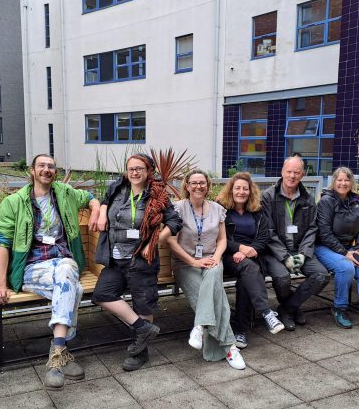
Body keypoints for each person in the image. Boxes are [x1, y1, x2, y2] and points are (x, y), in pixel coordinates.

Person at [0, 154, 101, 389]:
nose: (46, 169)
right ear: (32, 171)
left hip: (64, 260)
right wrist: (1, 284)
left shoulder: (64, 193)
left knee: (65, 271)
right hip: (32, 267)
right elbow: (3, 243)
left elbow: (91, 198)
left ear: (55, 172)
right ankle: (62, 350)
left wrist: (95, 211)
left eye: (51, 166)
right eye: (41, 166)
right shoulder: (14, 202)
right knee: (75, 287)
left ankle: (57, 351)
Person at [92, 153, 182, 371]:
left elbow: (175, 220)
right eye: (131, 168)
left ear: (148, 171)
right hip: (115, 258)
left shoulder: (158, 194)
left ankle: (140, 353)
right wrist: (102, 212)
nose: (134, 172)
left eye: (139, 168)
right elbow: (103, 199)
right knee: (102, 294)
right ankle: (143, 329)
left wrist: (156, 240)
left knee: (143, 303)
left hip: (141, 259)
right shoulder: (118, 187)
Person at [165, 169, 245, 369]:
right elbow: (171, 241)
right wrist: (193, 262)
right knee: (215, 295)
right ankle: (230, 347)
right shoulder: (178, 208)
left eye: (202, 183)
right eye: (194, 183)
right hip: (185, 263)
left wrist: (216, 258)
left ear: (208, 186)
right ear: (187, 186)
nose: (198, 186)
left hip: (212, 259)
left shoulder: (218, 209)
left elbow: (222, 239)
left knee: (211, 284)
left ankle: (200, 326)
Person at [261, 155, 330, 330]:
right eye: (289, 171)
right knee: (282, 278)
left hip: (300, 249)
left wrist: (303, 254)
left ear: (303, 174)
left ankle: (287, 308)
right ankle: (294, 307)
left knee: (321, 276)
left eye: (296, 172)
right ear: (282, 172)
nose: (292, 176)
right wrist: (285, 257)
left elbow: (312, 228)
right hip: (275, 252)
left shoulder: (307, 197)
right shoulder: (268, 196)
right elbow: (268, 231)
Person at [314, 167, 359, 330]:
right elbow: (324, 233)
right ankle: (339, 308)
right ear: (334, 182)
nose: (343, 183)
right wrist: (345, 253)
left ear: (351, 182)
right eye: (339, 180)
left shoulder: (356, 201)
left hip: (349, 249)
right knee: (345, 267)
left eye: (346, 180)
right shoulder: (326, 201)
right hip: (324, 247)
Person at [217, 172, 284, 349]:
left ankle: (241, 331)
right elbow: (219, 237)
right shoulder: (221, 208)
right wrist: (239, 248)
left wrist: (249, 251)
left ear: (250, 191)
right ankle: (266, 312)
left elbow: (264, 236)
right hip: (227, 255)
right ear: (231, 190)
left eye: (245, 188)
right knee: (249, 269)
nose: (241, 192)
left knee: (245, 280)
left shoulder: (258, 210)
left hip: (252, 256)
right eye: (237, 188)